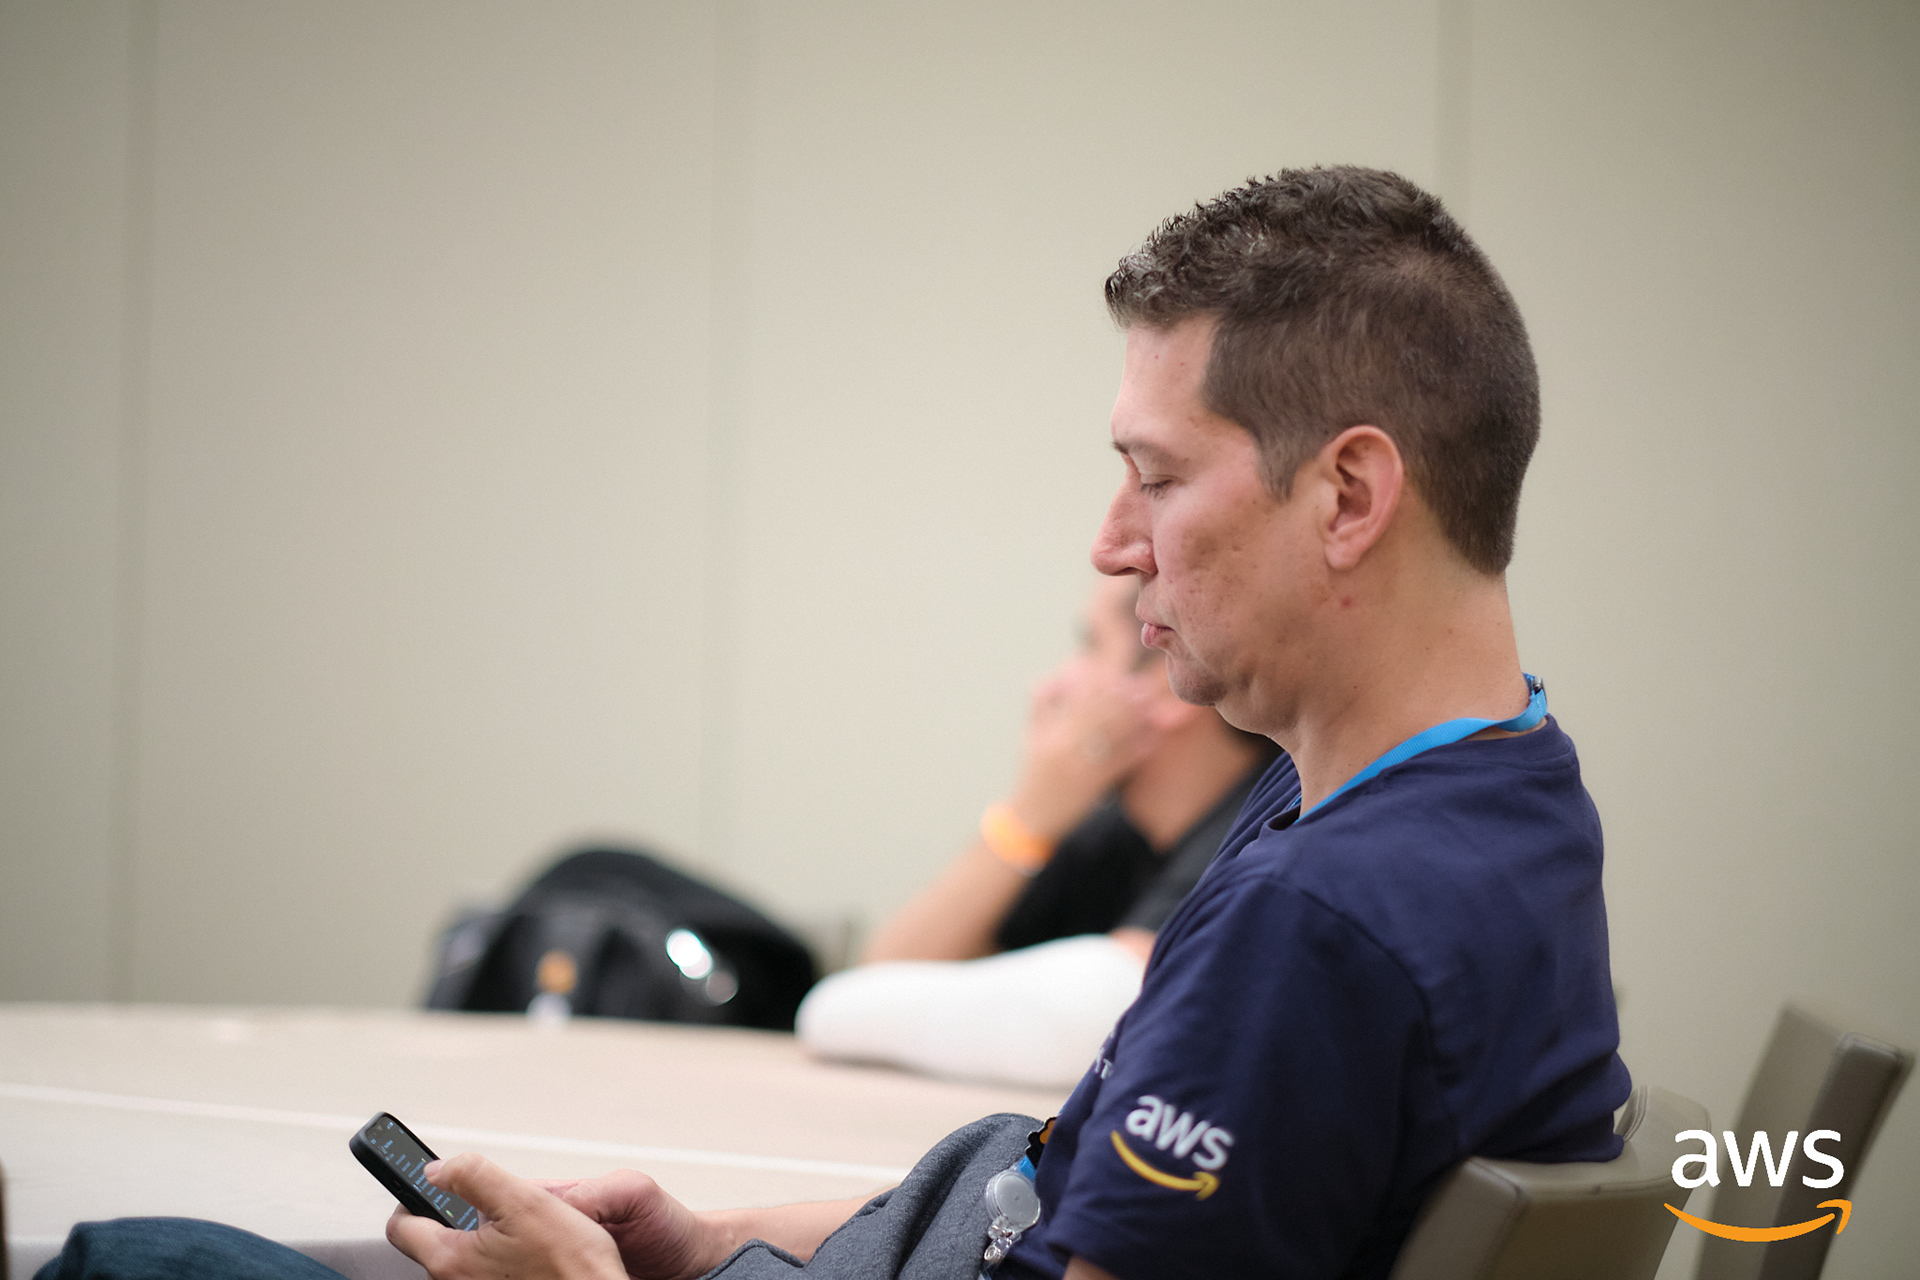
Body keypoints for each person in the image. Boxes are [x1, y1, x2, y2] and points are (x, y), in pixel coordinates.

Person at [39, 166, 1630, 1280]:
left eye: (1154, 476)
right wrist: (713, 1242)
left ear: (1347, 496)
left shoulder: (1323, 925)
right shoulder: (1501, 799)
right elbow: (1041, 1201)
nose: (1111, 544)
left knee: (135, 1264)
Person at [795, 574, 1276, 1087]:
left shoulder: (1266, 834)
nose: (1050, 687)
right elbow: (885, 972)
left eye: (1090, 647)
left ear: (1169, 682)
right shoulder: (1114, 836)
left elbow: (1110, 1009)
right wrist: (1027, 818)